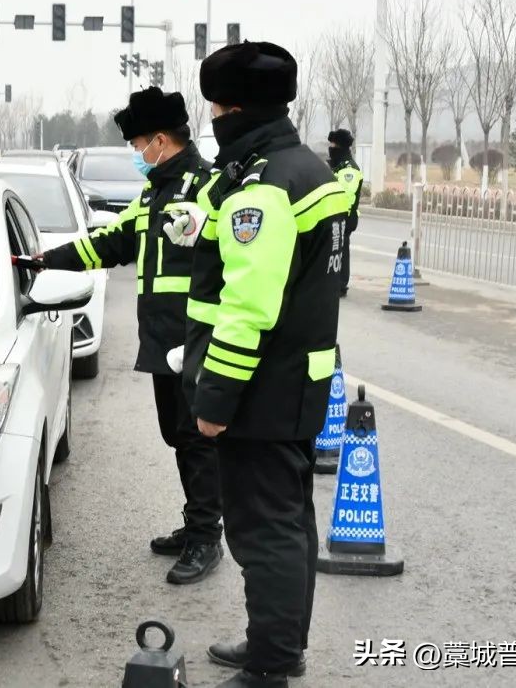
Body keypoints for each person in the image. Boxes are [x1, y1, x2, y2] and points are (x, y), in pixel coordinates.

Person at [164, 41, 348, 687]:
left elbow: (246, 308)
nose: (213, 118)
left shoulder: (263, 186)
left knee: (262, 530)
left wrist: (213, 403)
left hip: (258, 390)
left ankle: (271, 662)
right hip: (299, 381)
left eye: (216, 106)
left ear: (235, 108)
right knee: (291, 521)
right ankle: (279, 642)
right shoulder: (309, 171)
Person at [38, 86, 224, 585]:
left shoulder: (209, 188)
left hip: (197, 337)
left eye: (139, 144)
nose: (136, 155)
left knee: (196, 437)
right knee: (177, 434)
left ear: (161, 140)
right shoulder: (156, 190)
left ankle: (208, 536)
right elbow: (116, 241)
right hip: (165, 338)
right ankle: (196, 523)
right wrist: (49, 259)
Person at [328, 129, 363, 296]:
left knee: (341, 250)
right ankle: (335, 282)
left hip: (344, 216)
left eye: (333, 145)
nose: (331, 148)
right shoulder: (338, 166)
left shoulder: (349, 169)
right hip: (336, 215)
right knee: (335, 249)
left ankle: (341, 284)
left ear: (341, 146)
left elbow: (347, 197)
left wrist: (340, 216)